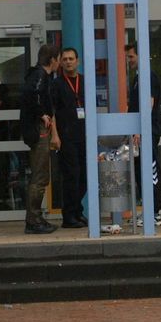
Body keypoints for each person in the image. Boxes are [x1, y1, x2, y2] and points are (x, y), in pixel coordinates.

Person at [20, 44, 60, 234]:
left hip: (36, 129)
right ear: (52, 60)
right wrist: (42, 114)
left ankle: (35, 218)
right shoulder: (40, 76)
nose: (59, 63)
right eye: (58, 59)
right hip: (38, 130)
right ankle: (34, 220)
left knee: (40, 175)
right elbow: (31, 95)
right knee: (40, 176)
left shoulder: (38, 75)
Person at [125, 43, 161, 226]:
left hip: (147, 132)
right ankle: (147, 210)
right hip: (139, 133)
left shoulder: (149, 76)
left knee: (150, 170)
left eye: (131, 56)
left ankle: (154, 213)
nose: (129, 60)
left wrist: (141, 130)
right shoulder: (138, 78)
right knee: (141, 171)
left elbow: (149, 104)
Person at [53, 47, 88, 228]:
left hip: (84, 136)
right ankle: (68, 216)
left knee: (85, 176)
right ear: (60, 62)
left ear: (77, 61)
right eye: (65, 59)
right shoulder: (57, 84)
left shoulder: (85, 81)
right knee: (71, 176)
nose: (68, 62)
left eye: (71, 59)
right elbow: (52, 111)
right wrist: (55, 135)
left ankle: (77, 211)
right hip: (66, 138)